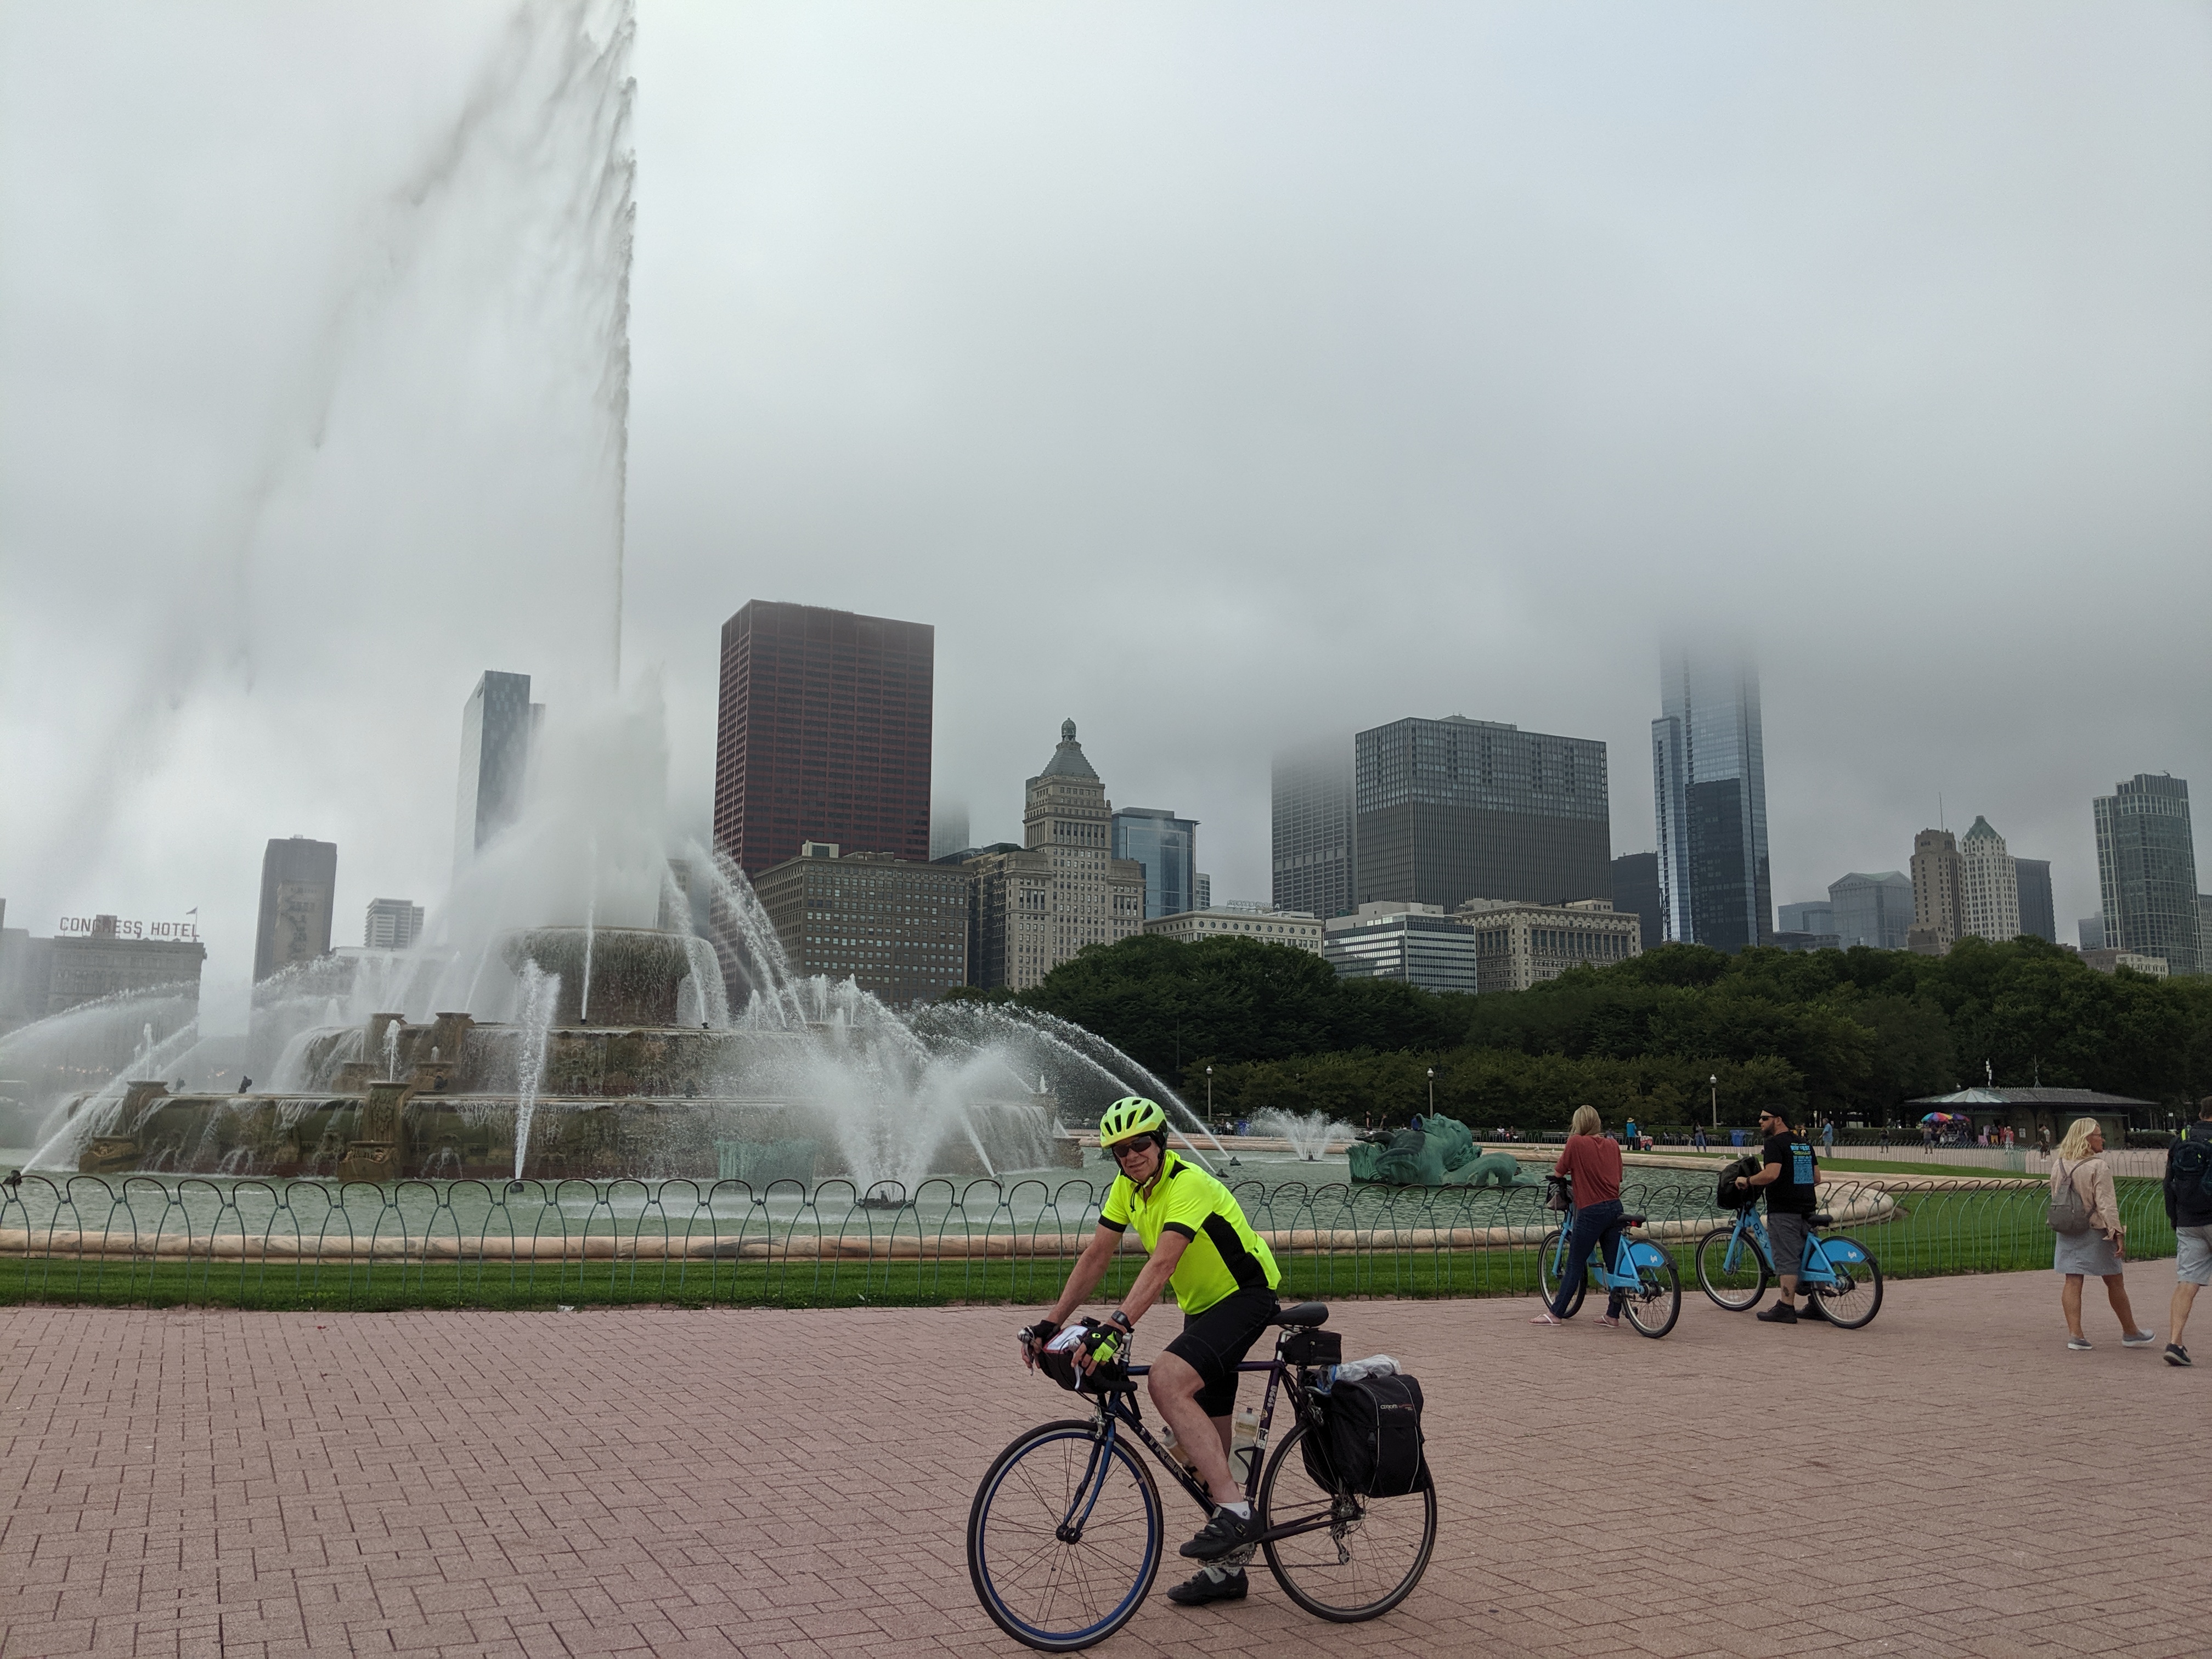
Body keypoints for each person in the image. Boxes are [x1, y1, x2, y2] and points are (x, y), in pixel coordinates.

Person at [1019, 1096, 1282, 1607]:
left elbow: (1162, 1264)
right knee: (1210, 1452)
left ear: (1161, 1142)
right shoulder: (1127, 1189)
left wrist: (1115, 1327)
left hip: (1246, 1298)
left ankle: (1236, 1514)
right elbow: (1097, 1255)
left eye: (1140, 1144)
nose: (1130, 1156)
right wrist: (1052, 1323)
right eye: (1119, 1150)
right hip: (1204, 1307)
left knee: (1165, 1381)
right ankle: (1229, 1571)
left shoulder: (1190, 1184)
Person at [2050, 1117, 2155, 1352]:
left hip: (2067, 1228)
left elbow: (2056, 1194)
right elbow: (2107, 1205)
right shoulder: (2098, 1166)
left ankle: (2075, 1334)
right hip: (2094, 1229)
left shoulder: (2060, 1164)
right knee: (2114, 1280)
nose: (2103, 1139)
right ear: (2087, 1138)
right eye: (2098, 1135)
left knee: (2073, 1279)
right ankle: (2130, 1332)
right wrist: (2117, 1232)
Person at [1532, 1105, 1628, 1330]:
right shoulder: (1613, 1145)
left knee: (1575, 1262)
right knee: (1614, 1265)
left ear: (1578, 1123)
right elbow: (1618, 1177)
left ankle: (1556, 1313)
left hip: (1591, 1211)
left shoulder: (1576, 1143)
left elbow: (1559, 1172)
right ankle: (1612, 1315)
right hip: (1615, 1208)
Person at [1731, 1107, 1818, 1324]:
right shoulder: (1803, 1144)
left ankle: (1786, 1307)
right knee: (1810, 1258)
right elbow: (1816, 1177)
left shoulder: (1774, 1144)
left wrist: (1748, 1181)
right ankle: (1817, 1304)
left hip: (1784, 1209)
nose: (1760, 1122)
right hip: (1807, 1206)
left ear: (1778, 1120)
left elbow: (1772, 1174)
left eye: (1764, 1118)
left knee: (1787, 1257)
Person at [2160, 1095, 2212, 1367]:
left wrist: (2175, 1218)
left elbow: (2168, 1183)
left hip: (2188, 1220)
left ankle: (2175, 1342)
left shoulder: (2180, 1138)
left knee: (2187, 1281)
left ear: (2201, 1113)